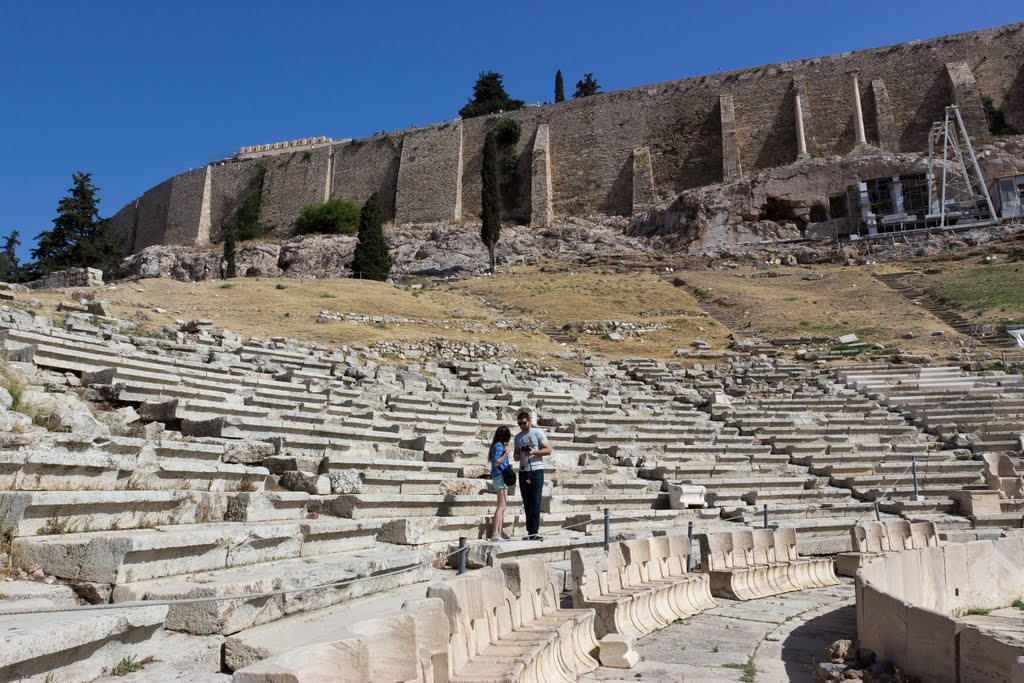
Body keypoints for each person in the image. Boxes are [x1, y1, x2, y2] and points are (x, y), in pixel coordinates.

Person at [514, 410, 552, 541]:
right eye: (519, 424)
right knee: (527, 502)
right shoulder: (517, 437)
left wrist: (533, 452)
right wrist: (517, 455)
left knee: (536, 501)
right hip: (523, 471)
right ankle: (530, 531)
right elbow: (516, 455)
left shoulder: (538, 433)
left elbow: (549, 449)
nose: (522, 426)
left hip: (536, 470)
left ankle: (534, 531)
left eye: (524, 423)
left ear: (529, 421)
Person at [488, 426, 512, 542]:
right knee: (501, 506)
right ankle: (495, 533)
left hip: (500, 477)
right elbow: (497, 462)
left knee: (503, 506)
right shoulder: (498, 446)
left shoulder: (498, 444)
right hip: (499, 476)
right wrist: (507, 453)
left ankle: (499, 532)